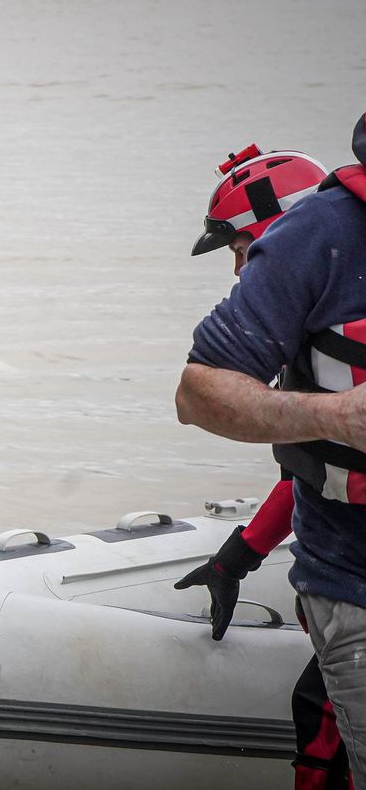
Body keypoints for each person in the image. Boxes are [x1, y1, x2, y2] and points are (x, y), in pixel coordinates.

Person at [177, 115, 366, 781]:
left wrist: (239, 555)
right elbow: (315, 463)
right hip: (347, 568)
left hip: (345, 572)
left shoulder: (314, 273)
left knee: (316, 711)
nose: (237, 266)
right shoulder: (321, 272)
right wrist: (238, 557)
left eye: (239, 247)